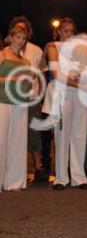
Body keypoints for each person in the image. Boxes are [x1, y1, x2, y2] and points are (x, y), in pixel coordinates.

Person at [44, 18, 87, 190]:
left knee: (80, 134)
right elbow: (55, 72)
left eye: (71, 31)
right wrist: (81, 83)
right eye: (65, 30)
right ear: (59, 32)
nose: (69, 34)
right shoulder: (53, 46)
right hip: (62, 93)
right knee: (61, 134)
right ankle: (60, 178)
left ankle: (79, 177)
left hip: (80, 95)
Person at [7, 16, 46, 180]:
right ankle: (10, 167)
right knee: (11, 132)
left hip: (31, 98)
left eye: (24, 30)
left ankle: (38, 167)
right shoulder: (6, 50)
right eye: (18, 30)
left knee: (33, 132)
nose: (21, 33)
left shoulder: (36, 50)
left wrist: (41, 98)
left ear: (28, 32)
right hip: (10, 98)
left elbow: (41, 75)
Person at [0, 26, 32, 191]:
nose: (21, 40)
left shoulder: (26, 61)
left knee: (18, 143)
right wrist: (14, 78)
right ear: (10, 37)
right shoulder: (2, 54)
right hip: (3, 101)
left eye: (24, 38)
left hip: (20, 103)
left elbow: (28, 84)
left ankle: (14, 182)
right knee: (1, 141)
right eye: (18, 37)